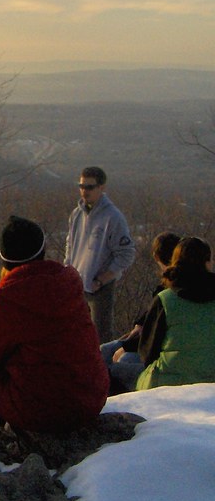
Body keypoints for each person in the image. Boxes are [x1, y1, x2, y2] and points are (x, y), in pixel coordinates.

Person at [0, 216, 108, 452]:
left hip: (42, 411)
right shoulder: (69, 282)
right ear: (42, 250)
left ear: (4, 259)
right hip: (90, 399)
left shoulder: (6, 297)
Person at [132, 237, 215, 391]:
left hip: (168, 384)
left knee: (119, 367)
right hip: (210, 381)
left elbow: (146, 353)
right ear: (207, 263)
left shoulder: (165, 300)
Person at [64, 166, 136, 342]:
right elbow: (70, 246)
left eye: (89, 187)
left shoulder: (113, 217)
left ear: (101, 187)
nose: (84, 191)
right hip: (77, 285)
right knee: (75, 333)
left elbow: (126, 253)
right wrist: (67, 272)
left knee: (100, 336)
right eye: (81, 186)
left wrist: (103, 279)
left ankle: (103, 369)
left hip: (99, 288)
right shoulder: (76, 214)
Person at [103, 231, 179, 392]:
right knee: (103, 351)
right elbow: (152, 315)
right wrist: (139, 323)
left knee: (120, 362)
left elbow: (156, 332)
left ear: (157, 257)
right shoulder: (167, 287)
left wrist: (128, 346)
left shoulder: (174, 292)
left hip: (153, 349)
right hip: (146, 341)